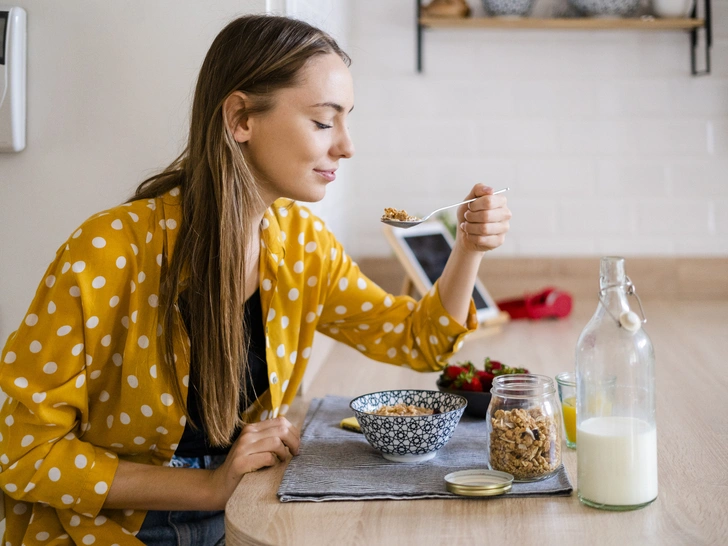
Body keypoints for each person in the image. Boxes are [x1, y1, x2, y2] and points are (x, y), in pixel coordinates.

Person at [0, 14, 511, 546]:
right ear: (241, 118)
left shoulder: (302, 245)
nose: (346, 146)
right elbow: (24, 452)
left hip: (246, 511)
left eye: (346, 120)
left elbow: (418, 341)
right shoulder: (108, 251)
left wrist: (469, 249)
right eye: (322, 122)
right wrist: (207, 487)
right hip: (109, 527)